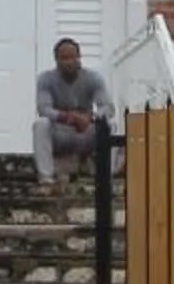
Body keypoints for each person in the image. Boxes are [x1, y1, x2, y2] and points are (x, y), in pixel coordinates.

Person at [32, 37, 114, 180]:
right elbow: (43, 109)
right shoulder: (46, 79)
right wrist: (68, 117)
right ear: (56, 60)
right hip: (61, 131)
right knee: (40, 125)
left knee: (111, 125)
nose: (69, 62)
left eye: (72, 57)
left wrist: (90, 117)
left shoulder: (93, 78)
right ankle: (46, 178)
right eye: (64, 58)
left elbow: (108, 107)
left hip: (85, 130)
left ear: (79, 57)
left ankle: (107, 176)